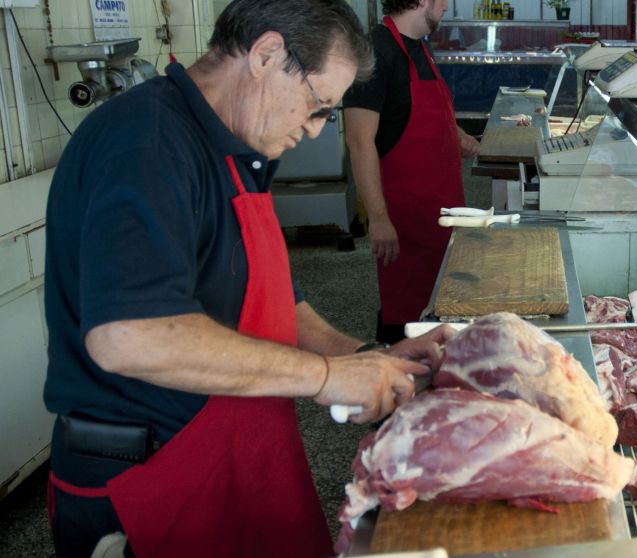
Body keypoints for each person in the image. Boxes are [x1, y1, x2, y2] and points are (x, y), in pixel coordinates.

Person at [43, 1, 454, 556]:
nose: (313, 132)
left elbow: (273, 296)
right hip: (150, 481)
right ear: (266, 55)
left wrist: (367, 356)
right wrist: (324, 376)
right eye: (316, 106)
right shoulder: (147, 144)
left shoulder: (237, 145)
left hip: (234, 454)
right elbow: (127, 336)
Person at [343, 0, 481, 344]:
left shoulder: (419, 45)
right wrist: (377, 218)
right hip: (404, 221)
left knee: (438, 313)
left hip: (441, 215)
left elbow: (406, 115)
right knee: (406, 320)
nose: (447, 5)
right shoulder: (375, 50)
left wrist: (457, 136)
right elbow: (360, 142)